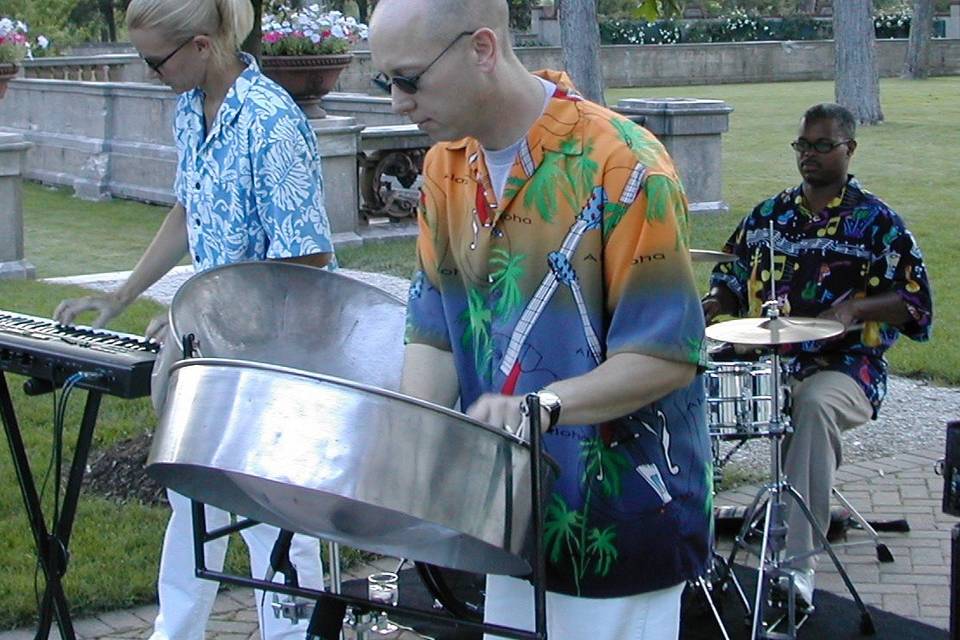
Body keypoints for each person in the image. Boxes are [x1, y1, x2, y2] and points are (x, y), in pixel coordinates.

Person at [368, 1, 712, 638]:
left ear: (482, 48)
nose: (395, 102)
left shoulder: (626, 165)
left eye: (409, 79)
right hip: (508, 520)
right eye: (382, 80)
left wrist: (543, 406)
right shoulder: (445, 167)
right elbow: (438, 328)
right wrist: (410, 441)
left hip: (617, 520)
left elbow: (664, 355)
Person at [53, 0, 334, 638]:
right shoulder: (191, 109)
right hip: (211, 346)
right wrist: (124, 295)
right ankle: (173, 631)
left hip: (276, 354)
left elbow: (307, 261)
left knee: (273, 522)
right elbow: (189, 209)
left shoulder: (271, 121)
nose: (151, 72)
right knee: (190, 503)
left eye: (156, 60)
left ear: (204, 46)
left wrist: (206, 318)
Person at [701, 102, 933, 609]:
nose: (810, 155)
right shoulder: (768, 217)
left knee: (813, 406)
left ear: (850, 148)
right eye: (803, 145)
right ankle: (684, 540)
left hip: (848, 366)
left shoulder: (878, 224)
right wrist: (714, 304)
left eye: (823, 145)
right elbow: (730, 280)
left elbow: (915, 302)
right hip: (769, 361)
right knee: (682, 386)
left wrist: (855, 309)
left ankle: (794, 569)